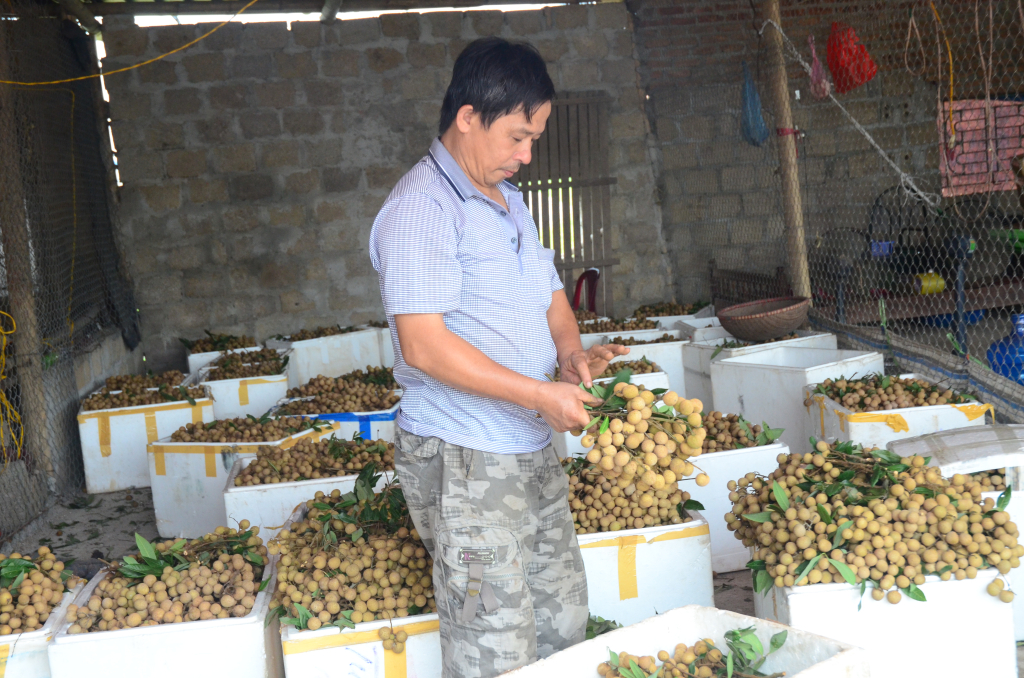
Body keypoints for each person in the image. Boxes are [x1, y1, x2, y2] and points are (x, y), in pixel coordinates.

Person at [369, 37, 629, 678]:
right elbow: (423, 345)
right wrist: (541, 395)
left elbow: (550, 295)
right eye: (517, 137)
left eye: (534, 138)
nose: (527, 155)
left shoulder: (510, 203)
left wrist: (571, 356)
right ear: (467, 117)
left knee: (561, 619)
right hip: (465, 458)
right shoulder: (420, 209)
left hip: (528, 443)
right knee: (492, 644)